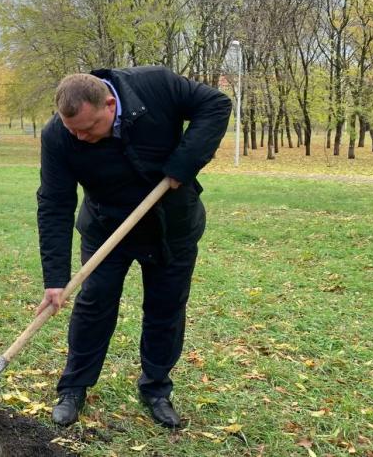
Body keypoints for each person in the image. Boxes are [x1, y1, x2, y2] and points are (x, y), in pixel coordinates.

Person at [35, 67, 231, 429]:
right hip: (106, 226)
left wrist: (185, 162)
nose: (80, 136)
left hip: (171, 224)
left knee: (165, 306)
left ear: (110, 104)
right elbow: (54, 203)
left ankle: (156, 388)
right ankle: (73, 387)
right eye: (72, 129)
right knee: (94, 304)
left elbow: (216, 104)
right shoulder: (58, 137)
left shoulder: (156, 86)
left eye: (88, 128)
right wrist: (56, 278)